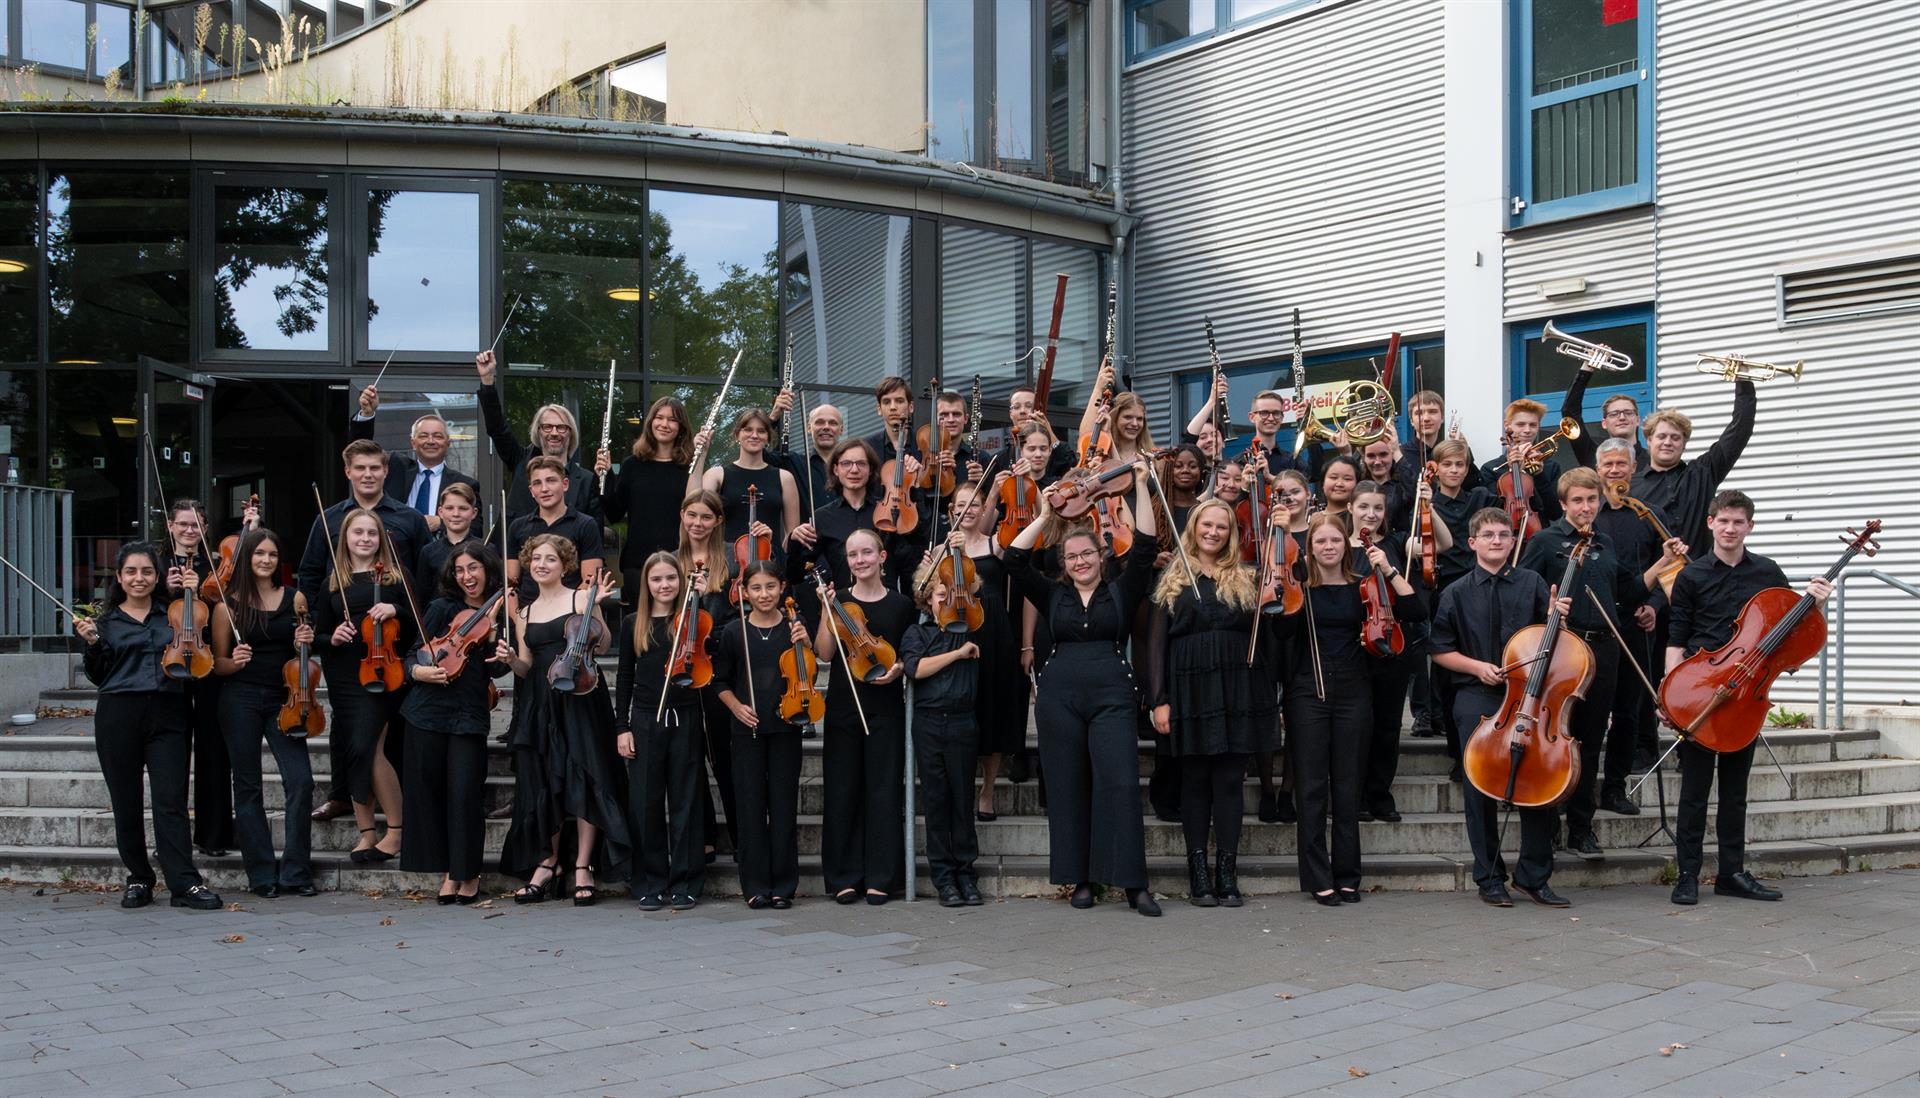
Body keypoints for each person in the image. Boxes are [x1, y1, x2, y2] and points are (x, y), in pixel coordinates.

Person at [1006, 459, 1162, 916]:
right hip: (1060, 698)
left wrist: (1142, 487)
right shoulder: (1052, 594)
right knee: (1068, 784)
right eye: (1072, 557)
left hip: (1113, 693)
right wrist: (1050, 514)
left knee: (1118, 783)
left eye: (1087, 555)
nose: (1080, 562)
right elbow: (1014, 558)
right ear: (1065, 563)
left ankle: (1134, 884)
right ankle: (1081, 879)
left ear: (1101, 556)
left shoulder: (1122, 588)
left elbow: (1148, 545)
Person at [1666, 490, 1832, 906]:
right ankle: (1686, 874)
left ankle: (1732, 873)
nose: (1730, 528)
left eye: (1738, 522)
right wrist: (1669, 693)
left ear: (1750, 526)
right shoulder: (1692, 575)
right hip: (1703, 689)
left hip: (1749, 695)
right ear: (1710, 523)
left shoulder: (1767, 571)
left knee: (1735, 790)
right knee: (1694, 791)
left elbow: (1793, 630)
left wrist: (1816, 605)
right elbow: (1676, 639)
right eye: (1723, 521)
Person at [1517, 467, 1679, 858]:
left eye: (1592, 500)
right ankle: (1548, 820)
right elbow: (1523, 592)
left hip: (1603, 651)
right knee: (1555, 739)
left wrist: (1663, 561)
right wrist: (1548, 609)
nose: (1586, 507)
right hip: (1560, 652)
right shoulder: (1545, 542)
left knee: (1590, 742)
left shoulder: (1604, 542)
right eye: (1578, 501)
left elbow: (1630, 588)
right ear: (1563, 504)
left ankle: (1581, 827)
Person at [1430, 508, 1572, 908]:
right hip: (1476, 695)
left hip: (1529, 695)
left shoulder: (1532, 583)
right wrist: (1478, 667)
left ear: (1514, 542)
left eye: (1503, 535)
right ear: (1472, 542)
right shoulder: (1455, 592)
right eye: (1488, 535)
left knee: (1538, 782)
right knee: (1479, 786)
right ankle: (1489, 877)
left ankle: (1533, 876)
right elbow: (1439, 650)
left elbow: (1551, 645)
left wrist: (1553, 619)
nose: (1497, 540)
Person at [1144, 498, 1278, 908]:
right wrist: (1158, 700)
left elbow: (1268, 640)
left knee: (1230, 783)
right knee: (1196, 783)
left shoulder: (1248, 575)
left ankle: (1227, 872)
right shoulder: (1173, 576)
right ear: (1194, 527)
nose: (1214, 532)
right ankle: (1198, 872)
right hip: (1188, 689)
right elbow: (1155, 644)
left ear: (1231, 533)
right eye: (1207, 525)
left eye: (1222, 526)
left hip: (1238, 688)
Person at [1285, 512, 1424, 906]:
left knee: (1348, 787)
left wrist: (1389, 568)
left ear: (1347, 546)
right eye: (1320, 541)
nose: (1328, 547)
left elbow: (1415, 612)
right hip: (1307, 689)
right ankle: (1316, 876)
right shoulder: (1301, 590)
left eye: (1335, 540)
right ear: (1310, 548)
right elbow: (1279, 632)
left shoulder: (1365, 586)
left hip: (1353, 690)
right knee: (1311, 787)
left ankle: (1347, 874)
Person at [77, 543, 223, 911]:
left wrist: (193, 590)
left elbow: (194, 659)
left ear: (157, 577)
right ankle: (139, 877)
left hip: (169, 712)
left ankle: (184, 883)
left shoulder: (174, 614)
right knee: (125, 803)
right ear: (120, 577)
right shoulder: (105, 624)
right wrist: (93, 645)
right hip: (118, 715)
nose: (138, 578)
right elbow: (98, 676)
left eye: (146, 572)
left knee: (171, 802)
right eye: (131, 572)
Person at [299, 440, 431, 825]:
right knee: (346, 730)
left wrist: (407, 624)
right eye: (361, 468)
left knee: (387, 734)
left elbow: (419, 585)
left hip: (392, 647)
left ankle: (399, 811)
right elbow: (310, 575)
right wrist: (316, 623)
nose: (368, 474)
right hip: (345, 652)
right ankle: (343, 796)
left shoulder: (408, 519)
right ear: (349, 472)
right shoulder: (329, 519)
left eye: (375, 467)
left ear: (386, 471)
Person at [500, 534, 629, 905]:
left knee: (586, 777)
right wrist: (511, 660)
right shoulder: (524, 612)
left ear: (564, 565)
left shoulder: (580, 597)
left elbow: (601, 645)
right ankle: (547, 861)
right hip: (541, 702)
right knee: (544, 781)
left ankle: (583, 865)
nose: (542, 564)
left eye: (550, 559)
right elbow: (526, 666)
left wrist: (597, 610)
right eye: (536, 558)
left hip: (582, 697)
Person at [399, 544, 513, 906]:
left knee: (464, 794)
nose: (467, 576)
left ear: (487, 570)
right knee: (430, 794)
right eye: (461, 570)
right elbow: (411, 654)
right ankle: (449, 871)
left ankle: (469, 872)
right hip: (426, 712)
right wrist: (418, 671)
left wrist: (493, 631)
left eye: (474, 568)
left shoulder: (503, 614)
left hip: (468, 714)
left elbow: (497, 669)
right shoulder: (439, 608)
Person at [211, 527, 318, 899]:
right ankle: (260, 872)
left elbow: (303, 654)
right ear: (247, 558)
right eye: (259, 554)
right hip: (238, 696)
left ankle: (296, 870)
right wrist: (233, 662)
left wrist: (305, 642)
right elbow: (217, 664)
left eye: (272, 554)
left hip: (285, 698)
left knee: (301, 781)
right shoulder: (227, 605)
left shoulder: (295, 597)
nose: (266, 560)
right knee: (248, 785)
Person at [813, 528, 914, 904]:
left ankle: (881, 876)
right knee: (842, 791)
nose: (860, 560)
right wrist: (825, 610)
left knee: (883, 791)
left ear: (881, 557)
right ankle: (843, 875)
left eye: (866, 552)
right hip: (844, 705)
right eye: (853, 554)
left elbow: (906, 653)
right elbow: (824, 653)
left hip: (886, 706)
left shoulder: (901, 605)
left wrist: (900, 668)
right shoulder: (837, 599)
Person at [311, 508, 412, 865]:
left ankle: (397, 833)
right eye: (358, 533)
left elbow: (416, 627)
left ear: (380, 538)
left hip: (384, 673)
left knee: (369, 748)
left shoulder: (394, 580)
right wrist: (332, 636)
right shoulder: (332, 582)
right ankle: (367, 833)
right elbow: (318, 634)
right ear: (346, 539)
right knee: (355, 751)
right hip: (343, 675)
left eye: (372, 533)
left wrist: (395, 611)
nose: (365, 539)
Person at [712, 561, 811, 908]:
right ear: (744, 592)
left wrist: (807, 642)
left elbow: (807, 673)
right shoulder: (733, 632)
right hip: (747, 730)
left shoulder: (794, 628)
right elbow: (719, 680)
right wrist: (736, 706)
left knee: (783, 807)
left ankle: (784, 884)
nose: (764, 594)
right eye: (756, 588)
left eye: (770, 586)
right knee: (751, 806)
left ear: (782, 587)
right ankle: (754, 885)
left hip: (787, 726)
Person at [615, 551, 708, 912]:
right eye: (657, 579)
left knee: (686, 801)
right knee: (645, 803)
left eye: (671, 578)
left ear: (680, 581)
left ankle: (685, 881)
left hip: (685, 717)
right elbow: (624, 677)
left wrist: (701, 599)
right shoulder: (631, 623)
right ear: (647, 584)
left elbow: (706, 659)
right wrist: (622, 726)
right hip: (644, 717)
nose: (665, 585)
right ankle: (650, 881)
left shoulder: (692, 618)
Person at [1594, 437, 1686, 797]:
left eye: (1621, 464)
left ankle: (1616, 788)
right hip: (1596, 626)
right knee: (1592, 711)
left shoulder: (1649, 513)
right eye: (1608, 465)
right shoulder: (1589, 512)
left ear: (1633, 469)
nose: (1615, 470)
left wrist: (1654, 606)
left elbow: (1669, 570)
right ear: (1597, 468)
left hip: (1637, 622)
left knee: (1629, 710)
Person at [936, 478, 1025, 823]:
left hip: (995, 631)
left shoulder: (995, 545)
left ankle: (987, 790)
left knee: (994, 709)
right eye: (961, 505)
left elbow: (1019, 581)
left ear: (984, 509)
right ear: (951, 511)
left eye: (974, 504)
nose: (967, 510)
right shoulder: (942, 549)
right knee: (964, 710)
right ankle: (962, 788)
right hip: (957, 632)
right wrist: (948, 552)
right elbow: (927, 592)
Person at [901, 573, 986, 908]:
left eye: (953, 594)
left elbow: (980, 591)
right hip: (929, 723)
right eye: (940, 594)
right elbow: (914, 669)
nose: (947, 600)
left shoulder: (969, 627)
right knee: (936, 802)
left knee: (962, 802)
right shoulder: (916, 633)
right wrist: (957, 654)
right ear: (927, 599)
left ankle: (966, 874)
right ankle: (944, 878)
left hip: (963, 722)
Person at [158, 499, 234, 858]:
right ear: (170, 526)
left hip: (206, 663)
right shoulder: (158, 566)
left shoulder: (215, 567)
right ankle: (171, 841)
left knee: (212, 748)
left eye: (196, 525)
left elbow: (229, 604)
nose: (190, 531)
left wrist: (203, 587)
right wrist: (165, 589)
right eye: (183, 524)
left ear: (205, 529)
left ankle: (214, 835)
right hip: (169, 665)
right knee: (170, 757)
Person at [1350, 482, 1427, 824]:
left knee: (1387, 727)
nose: (1371, 514)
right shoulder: (1337, 545)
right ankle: (1357, 795)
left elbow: (1416, 609)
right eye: (1364, 506)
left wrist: (1388, 568)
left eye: (1378, 508)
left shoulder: (1396, 543)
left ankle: (1381, 793)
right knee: (1358, 726)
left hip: (1392, 646)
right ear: (1351, 508)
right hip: (1353, 651)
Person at [677, 490, 738, 861]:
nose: (697, 523)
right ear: (683, 516)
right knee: (688, 757)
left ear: (717, 522)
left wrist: (708, 599)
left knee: (723, 756)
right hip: (682, 665)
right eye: (692, 515)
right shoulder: (671, 559)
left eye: (705, 517)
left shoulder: (730, 559)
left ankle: (741, 834)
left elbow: (735, 622)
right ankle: (704, 836)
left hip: (718, 668)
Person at [1631, 379, 1757, 558]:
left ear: (1684, 444)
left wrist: (1743, 382)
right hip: (1653, 580)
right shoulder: (1632, 485)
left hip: (1700, 577)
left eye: (1675, 438)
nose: (1668, 442)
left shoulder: (1703, 472)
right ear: (1649, 441)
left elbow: (1740, 431)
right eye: (1661, 436)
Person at [475, 349, 603, 523]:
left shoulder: (586, 480)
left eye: (561, 427)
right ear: (538, 431)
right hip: (518, 548)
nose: (554, 433)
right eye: (547, 427)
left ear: (571, 433)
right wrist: (487, 380)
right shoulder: (521, 461)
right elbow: (497, 428)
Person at [787, 437, 925, 594]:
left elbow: (910, 565)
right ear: (835, 470)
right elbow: (795, 575)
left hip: (888, 608)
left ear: (871, 470)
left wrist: (916, 487)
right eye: (846, 464)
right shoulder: (822, 518)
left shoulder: (889, 511)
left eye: (861, 463)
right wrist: (795, 540)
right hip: (844, 609)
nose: (854, 470)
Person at [597, 395, 696, 609]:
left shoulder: (690, 467)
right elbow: (614, 512)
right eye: (659, 418)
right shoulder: (632, 465)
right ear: (650, 422)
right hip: (638, 562)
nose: (664, 424)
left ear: (681, 427)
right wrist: (605, 477)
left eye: (672, 419)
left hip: (678, 560)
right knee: (640, 630)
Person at [347, 385, 480, 530]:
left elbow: (477, 528)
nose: (430, 441)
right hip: (396, 548)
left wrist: (442, 523)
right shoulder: (395, 467)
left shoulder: (465, 484)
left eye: (438, 436)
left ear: (448, 443)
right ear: (413, 442)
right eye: (423, 436)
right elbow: (362, 453)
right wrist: (367, 414)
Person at [691, 408, 802, 570]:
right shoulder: (718, 474)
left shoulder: (784, 477)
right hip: (727, 564)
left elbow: (791, 537)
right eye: (748, 429)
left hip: (770, 564)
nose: (754, 435)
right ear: (737, 435)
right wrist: (701, 453)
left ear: (768, 438)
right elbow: (692, 502)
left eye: (761, 431)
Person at [506, 456, 604, 600]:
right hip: (526, 613)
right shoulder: (518, 526)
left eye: (551, 481)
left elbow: (590, 581)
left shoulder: (585, 524)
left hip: (571, 614)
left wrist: (564, 611)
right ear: (531, 490)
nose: (544, 489)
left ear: (565, 484)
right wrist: (519, 617)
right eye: (537, 483)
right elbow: (510, 583)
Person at [1481, 399, 1564, 530]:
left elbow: (1555, 513)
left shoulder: (1551, 467)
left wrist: (1539, 475)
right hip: (1502, 536)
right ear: (1507, 426)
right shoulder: (1491, 468)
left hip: (1539, 536)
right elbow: (1489, 511)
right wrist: (1512, 471)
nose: (1527, 430)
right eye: (1520, 424)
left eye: (1533, 425)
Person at [1559, 362, 1647, 470]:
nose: (1622, 417)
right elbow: (1569, 412)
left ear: (1638, 420)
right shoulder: (1592, 454)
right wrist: (1588, 367)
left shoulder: (1652, 459)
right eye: (1614, 414)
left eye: (1628, 413)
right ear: (1604, 423)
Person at [413, 482, 484, 597]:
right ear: (440, 512)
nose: (456, 514)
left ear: (474, 513)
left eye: (463, 508)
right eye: (449, 508)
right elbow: (422, 597)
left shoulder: (485, 548)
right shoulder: (428, 552)